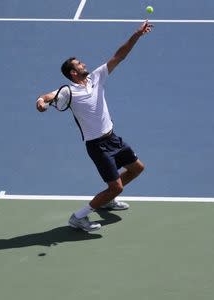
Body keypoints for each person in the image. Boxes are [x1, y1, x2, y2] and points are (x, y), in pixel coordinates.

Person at [36, 21, 153, 231]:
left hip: (113, 138)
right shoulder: (68, 92)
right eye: (78, 64)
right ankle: (78, 217)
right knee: (115, 186)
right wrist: (41, 103)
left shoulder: (96, 77)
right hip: (98, 146)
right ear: (73, 73)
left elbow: (119, 56)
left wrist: (137, 35)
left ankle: (107, 201)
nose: (83, 64)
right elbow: (46, 97)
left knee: (137, 169)